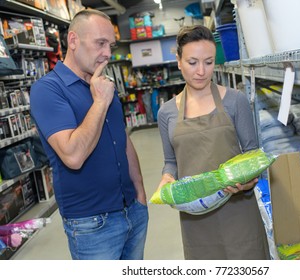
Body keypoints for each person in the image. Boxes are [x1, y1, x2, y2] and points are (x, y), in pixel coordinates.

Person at [30, 9, 148, 260]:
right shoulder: (48, 90)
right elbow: (73, 155)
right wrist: (100, 102)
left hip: (132, 211)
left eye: (111, 45)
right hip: (92, 224)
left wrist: (139, 193)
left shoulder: (101, 83)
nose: (107, 53)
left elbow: (121, 136)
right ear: (73, 41)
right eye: (100, 43)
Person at [156, 25, 270, 260]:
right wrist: (167, 178)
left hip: (238, 213)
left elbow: (253, 154)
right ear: (178, 61)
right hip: (195, 220)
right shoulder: (166, 112)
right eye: (192, 62)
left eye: (208, 62)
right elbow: (170, 162)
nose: (201, 71)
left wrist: (247, 183)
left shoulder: (235, 101)